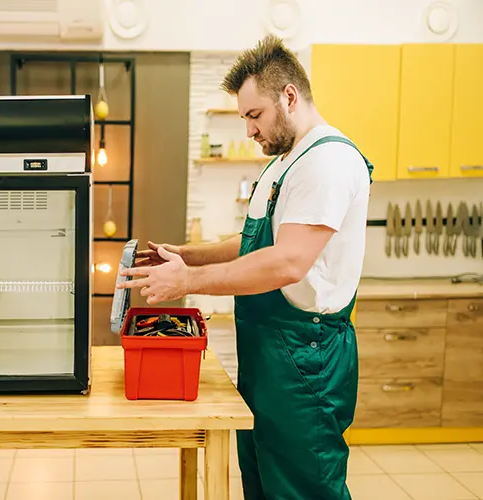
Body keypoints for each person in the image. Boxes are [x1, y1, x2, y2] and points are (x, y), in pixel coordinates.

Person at [117, 34, 373, 499]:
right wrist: (186, 254)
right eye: (244, 118)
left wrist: (189, 281)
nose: (249, 131)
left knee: (303, 489)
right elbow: (254, 242)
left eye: (255, 116)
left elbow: (288, 261)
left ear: (289, 97)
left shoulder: (329, 161)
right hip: (269, 355)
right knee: (263, 484)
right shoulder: (284, 164)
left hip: (307, 358)